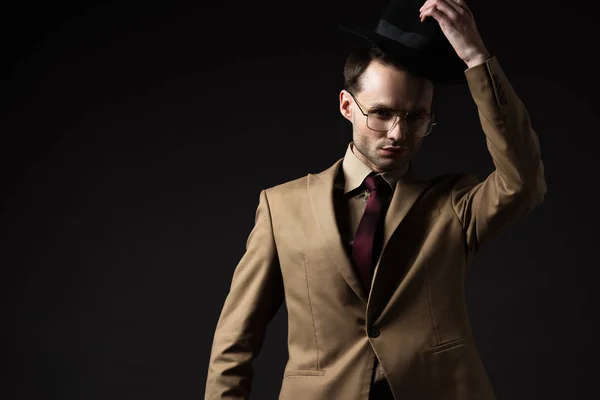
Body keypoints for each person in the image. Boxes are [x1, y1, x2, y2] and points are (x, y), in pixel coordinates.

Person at [204, 0, 546, 398]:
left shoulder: (454, 205)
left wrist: (476, 58)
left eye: (416, 117)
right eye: (381, 113)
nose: (398, 134)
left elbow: (523, 180)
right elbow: (236, 341)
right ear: (347, 106)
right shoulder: (282, 208)